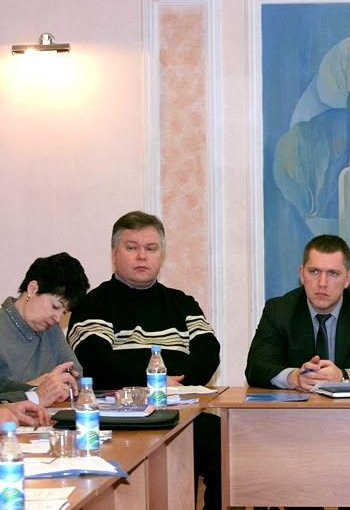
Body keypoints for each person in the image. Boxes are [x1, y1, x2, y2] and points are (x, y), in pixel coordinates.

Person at [67, 211, 221, 510]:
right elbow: (95, 359)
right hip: (119, 419)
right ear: (114, 254)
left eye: (151, 248)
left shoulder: (182, 303)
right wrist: (154, 383)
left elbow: (208, 351)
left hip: (179, 413)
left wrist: (175, 387)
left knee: (226, 445)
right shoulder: (94, 303)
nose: (142, 256)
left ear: (161, 254)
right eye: (132, 247)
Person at [246, 234, 350, 390]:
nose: (322, 283)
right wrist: (294, 377)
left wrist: (343, 377)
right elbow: (255, 369)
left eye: (333, 273)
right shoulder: (279, 310)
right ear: (302, 274)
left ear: (347, 278)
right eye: (314, 272)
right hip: (299, 405)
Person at [0, 252, 88, 407]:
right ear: (32, 289)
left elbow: (76, 374)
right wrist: (36, 387)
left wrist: (58, 382)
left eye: (64, 312)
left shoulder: (50, 330)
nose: (57, 318)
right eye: (55, 306)